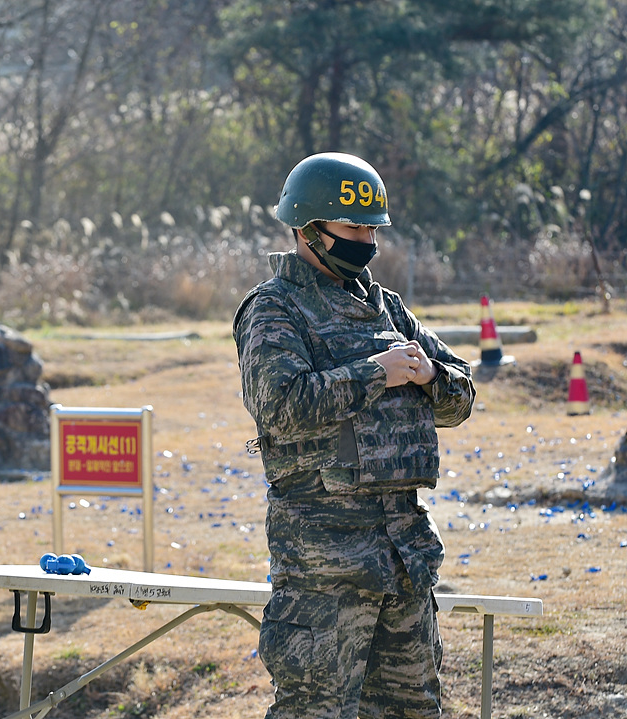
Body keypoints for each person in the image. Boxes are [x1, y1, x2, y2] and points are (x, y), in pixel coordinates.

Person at [233, 152, 475, 719]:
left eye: (372, 229)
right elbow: (281, 407)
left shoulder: (387, 308)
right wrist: (376, 374)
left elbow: (462, 395)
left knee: (412, 709)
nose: (366, 240)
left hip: (404, 555)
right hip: (325, 567)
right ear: (308, 229)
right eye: (352, 228)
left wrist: (432, 375)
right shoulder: (273, 310)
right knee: (315, 709)